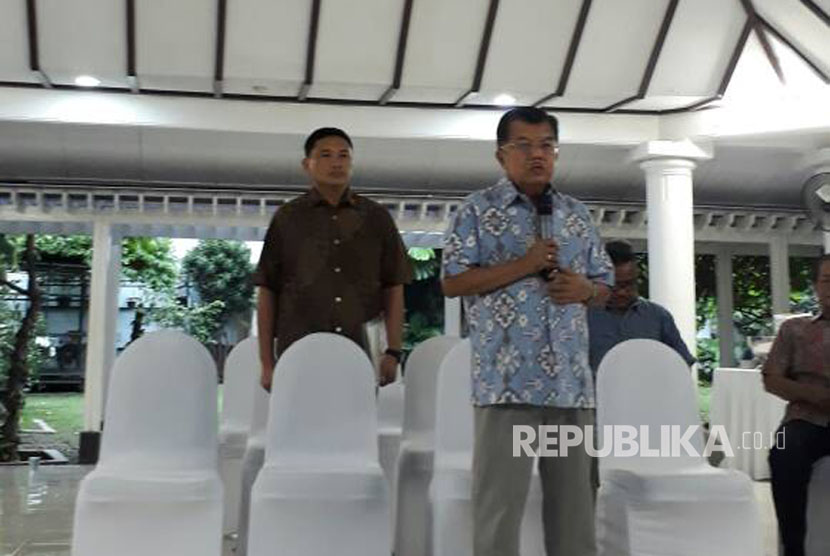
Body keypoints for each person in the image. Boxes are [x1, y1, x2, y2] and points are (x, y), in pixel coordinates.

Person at [442, 107, 614, 556]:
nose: (537, 155)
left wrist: (585, 289)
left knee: (575, 513)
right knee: (499, 511)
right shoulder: (476, 210)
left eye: (546, 146)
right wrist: (526, 264)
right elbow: (453, 281)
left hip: (570, 387)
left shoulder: (577, 215)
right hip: (506, 386)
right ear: (502, 155)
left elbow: (606, 286)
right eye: (524, 146)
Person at [253, 127, 412, 391]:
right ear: (307, 164)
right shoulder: (287, 218)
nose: (336, 162)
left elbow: (394, 287)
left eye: (344, 155)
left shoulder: (376, 218)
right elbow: (267, 290)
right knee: (298, 428)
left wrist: (393, 351)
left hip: (360, 350)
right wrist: (267, 362)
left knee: (356, 428)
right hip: (298, 350)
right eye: (326, 155)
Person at [764, 254, 830, 556]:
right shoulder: (794, 330)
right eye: (828, 281)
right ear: (816, 286)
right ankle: (794, 548)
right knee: (784, 452)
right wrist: (811, 394)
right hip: (806, 419)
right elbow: (771, 378)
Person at [587, 240, 695, 373]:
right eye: (615, 286)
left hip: (650, 393)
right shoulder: (583, 317)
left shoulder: (658, 317)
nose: (622, 292)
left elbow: (682, 364)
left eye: (629, 284)